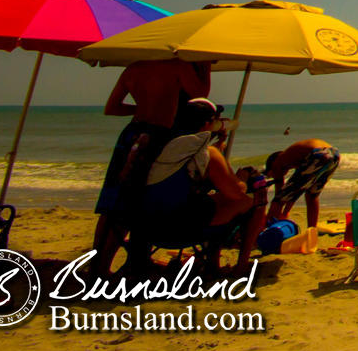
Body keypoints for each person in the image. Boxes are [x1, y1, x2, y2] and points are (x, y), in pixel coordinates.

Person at [91, 59, 212, 266]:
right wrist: (205, 66)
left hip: (131, 135)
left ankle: (98, 264)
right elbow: (200, 95)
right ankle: (134, 261)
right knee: (140, 201)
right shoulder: (177, 66)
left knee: (113, 202)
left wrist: (142, 107)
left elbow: (112, 107)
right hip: (157, 135)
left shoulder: (132, 68)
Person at [134, 98, 268, 277]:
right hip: (182, 229)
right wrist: (242, 178)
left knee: (211, 202)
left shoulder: (160, 142)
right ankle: (240, 265)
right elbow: (236, 192)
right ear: (207, 124)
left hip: (146, 225)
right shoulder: (206, 152)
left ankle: (212, 262)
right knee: (251, 200)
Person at [264, 138, 339, 230]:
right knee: (312, 196)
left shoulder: (277, 162)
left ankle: (269, 229)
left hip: (319, 154)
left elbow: (280, 195)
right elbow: (294, 192)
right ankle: (312, 231)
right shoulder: (295, 158)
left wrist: (281, 213)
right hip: (334, 154)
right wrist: (285, 212)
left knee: (278, 200)